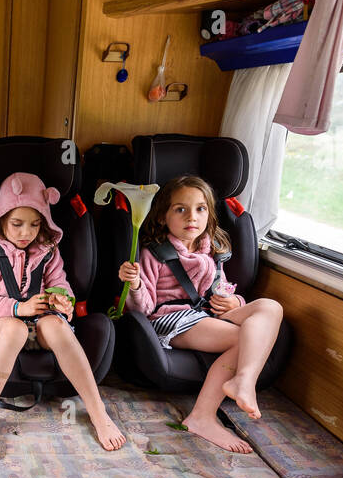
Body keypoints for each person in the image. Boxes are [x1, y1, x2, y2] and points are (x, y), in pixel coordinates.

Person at [118, 175, 284, 453]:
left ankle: (244, 378)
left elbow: (222, 288)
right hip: (173, 320)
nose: (191, 217)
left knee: (271, 307)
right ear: (162, 216)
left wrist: (235, 303)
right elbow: (143, 310)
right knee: (242, 339)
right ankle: (203, 416)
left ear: (209, 213)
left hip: (207, 314)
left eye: (200, 209)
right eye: (180, 209)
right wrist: (134, 285)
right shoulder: (154, 254)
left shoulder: (213, 250)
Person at [0, 172, 126, 460]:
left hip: (41, 321)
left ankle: (97, 411)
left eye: (35, 224)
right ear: (1, 220)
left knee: (57, 326)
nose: (25, 232)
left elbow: (61, 284)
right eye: (17, 224)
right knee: (15, 329)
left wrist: (62, 300)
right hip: (2, 322)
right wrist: (18, 308)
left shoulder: (49, 251)